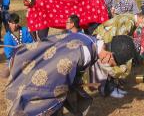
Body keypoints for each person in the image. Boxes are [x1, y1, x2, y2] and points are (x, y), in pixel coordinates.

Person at [5, 32, 136, 115]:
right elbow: (57, 73)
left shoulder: (90, 40)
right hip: (44, 79)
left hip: (40, 61)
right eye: (112, 63)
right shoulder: (84, 53)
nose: (109, 65)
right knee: (40, 105)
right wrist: (69, 87)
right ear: (109, 55)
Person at [90, 4, 144, 98]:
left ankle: (110, 82)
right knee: (112, 60)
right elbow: (119, 45)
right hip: (103, 40)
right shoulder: (129, 23)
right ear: (142, 17)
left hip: (105, 38)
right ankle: (105, 86)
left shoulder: (131, 18)